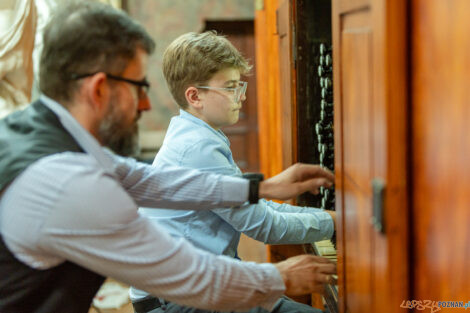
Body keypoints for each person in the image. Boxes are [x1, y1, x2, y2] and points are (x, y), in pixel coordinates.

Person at [0, 2, 337, 313]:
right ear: (99, 89)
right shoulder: (69, 183)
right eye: (138, 87)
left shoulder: (41, 131)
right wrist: (277, 278)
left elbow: (151, 181)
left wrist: (258, 189)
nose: (146, 105)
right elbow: (182, 271)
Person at [129, 32, 337, 313]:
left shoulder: (197, 134)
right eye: (230, 87)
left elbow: (256, 206)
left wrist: (331, 218)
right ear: (195, 96)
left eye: (239, 85)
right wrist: (341, 222)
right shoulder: (197, 147)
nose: (241, 96)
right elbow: (265, 226)